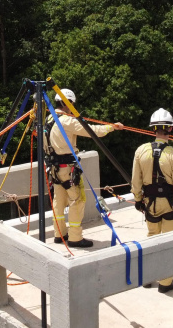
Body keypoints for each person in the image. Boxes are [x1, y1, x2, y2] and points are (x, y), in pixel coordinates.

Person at [46, 88, 123, 248]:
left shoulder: (48, 119)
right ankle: (75, 237)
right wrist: (111, 127)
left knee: (58, 201)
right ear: (68, 103)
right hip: (67, 168)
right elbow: (93, 131)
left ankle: (59, 234)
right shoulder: (67, 121)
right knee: (78, 200)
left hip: (54, 168)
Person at [131, 108, 173, 292]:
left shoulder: (141, 151)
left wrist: (138, 199)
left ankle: (147, 277)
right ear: (170, 130)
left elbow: (136, 181)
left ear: (153, 129)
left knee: (152, 238)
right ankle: (165, 283)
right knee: (167, 243)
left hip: (150, 204)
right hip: (170, 206)